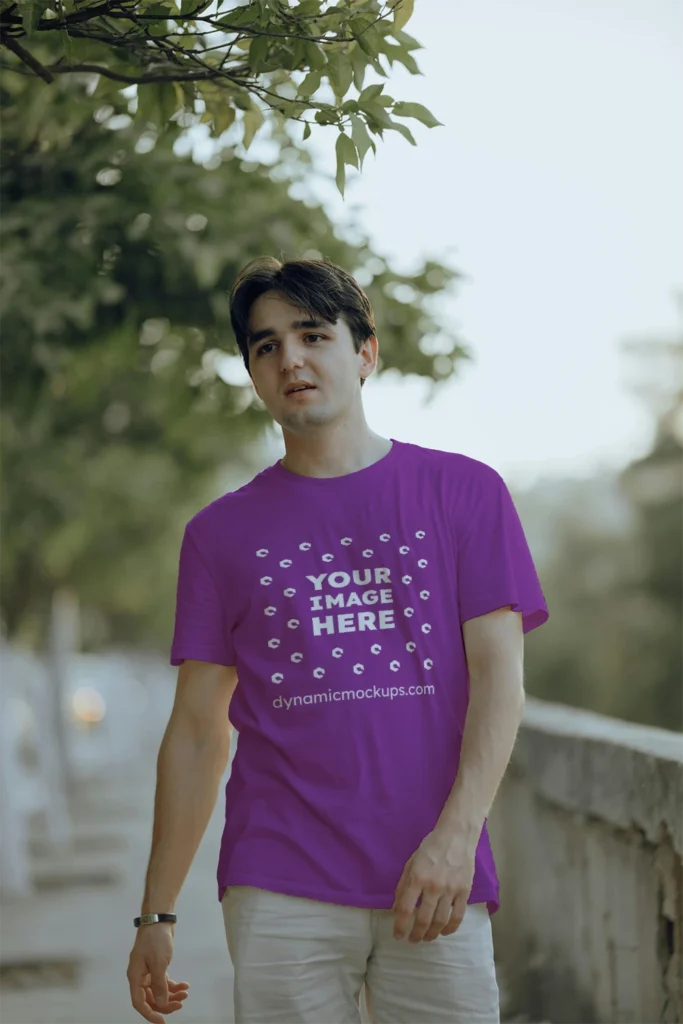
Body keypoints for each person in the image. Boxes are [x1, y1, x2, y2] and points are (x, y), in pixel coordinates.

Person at [127, 255, 549, 1024]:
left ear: (364, 352)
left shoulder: (463, 493)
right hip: (278, 879)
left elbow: (499, 684)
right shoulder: (219, 535)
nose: (289, 357)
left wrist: (456, 840)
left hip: (435, 872)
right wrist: (156, 914)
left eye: (312, 334)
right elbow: (195, 733)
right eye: (265, 345)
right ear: (252, 373)